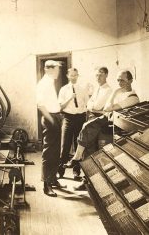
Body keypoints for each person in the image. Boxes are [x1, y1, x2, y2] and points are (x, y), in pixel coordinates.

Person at [64, 70, 139, 168]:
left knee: (87, 128)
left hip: (117, 126)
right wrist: (115, 94)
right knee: (88, 134)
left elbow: (107, 108)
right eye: (118, 80)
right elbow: (105, 107)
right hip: (109, 119)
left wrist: (115, 92)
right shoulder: (120, 93)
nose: (119, 83)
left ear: (130, 81)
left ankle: (76, 159)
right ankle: (84, 170)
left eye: (122, 80)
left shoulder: (133, 97)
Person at [36, 59, 66, 197]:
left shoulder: (50, 82)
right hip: (50, 119)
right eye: (57, 69)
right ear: (48, 69)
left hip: (55, 117)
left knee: (55, 151)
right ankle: (46, 185)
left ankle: (53, 179)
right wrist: (52, 121)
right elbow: (40, 105)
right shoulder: (43, 84)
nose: (58, 72)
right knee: (48, 153)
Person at [57, 68, 89, 179]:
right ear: (68, 76)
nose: (74, 77)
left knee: (78, 146)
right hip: (68, 118)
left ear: (78, 76)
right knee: (65, 145)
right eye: (72, 75)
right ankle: (60, 171)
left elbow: (87, 104)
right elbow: (60, 106)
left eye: (75, 75)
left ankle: (76, 172)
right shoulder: (64, 89)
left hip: (80, 118)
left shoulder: (83, 89)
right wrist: (70, 98)